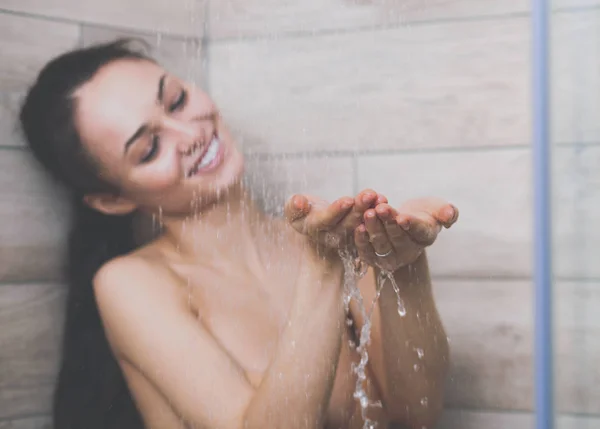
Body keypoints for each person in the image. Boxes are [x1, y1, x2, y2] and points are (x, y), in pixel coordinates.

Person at [19, 38, 458, 429]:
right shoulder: (131, 283)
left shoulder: (329, 233)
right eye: (149, 148)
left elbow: (415, 413)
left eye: (175, 101)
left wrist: (403, 269)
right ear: (113, 200)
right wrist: (323, 270)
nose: (190, 132)